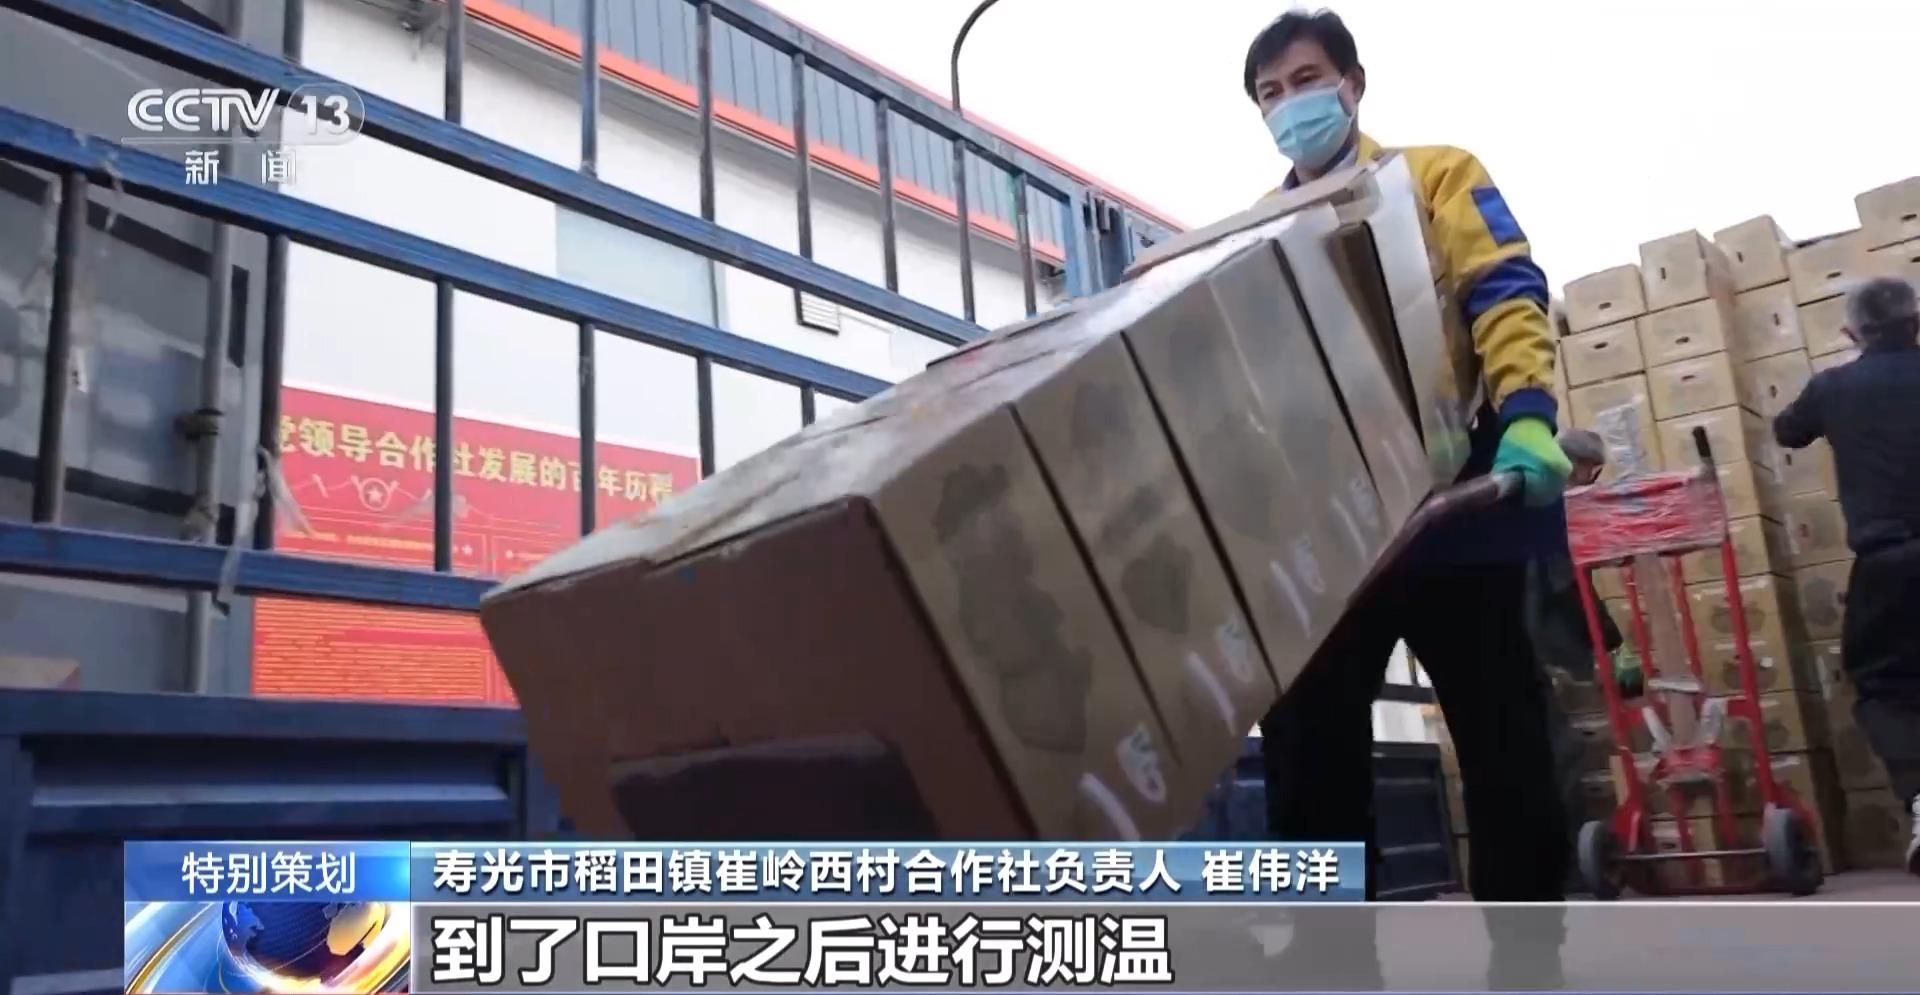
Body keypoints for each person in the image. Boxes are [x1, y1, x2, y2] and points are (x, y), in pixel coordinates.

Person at [1243, 8, 1572, 988]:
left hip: (1453, 499)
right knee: (1306, 745)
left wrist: (1527, 413)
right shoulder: (1257, 231)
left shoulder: (1434, 175)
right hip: (1333, 527)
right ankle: (1329, 961)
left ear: (1352, 83)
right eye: (1270, 94)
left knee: (1504, 736)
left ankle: (1527, 958)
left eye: (1306, 80)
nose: (1291, 105)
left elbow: (1502, 288)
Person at [1773, 275, 1920, 875]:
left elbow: (1786, 429)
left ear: (1850, 331)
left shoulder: (1834, 387)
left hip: (1889, 566)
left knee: (1885, 688)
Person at [1525, 430, 1629, 861]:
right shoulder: (1548, 508)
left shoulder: (1526, 498)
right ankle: (1568, 861)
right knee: (1564, 751)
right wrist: (1611, 641)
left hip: (1525, 643)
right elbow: (1569, 587)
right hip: (1544, 647)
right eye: (1592, 474)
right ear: (1576, 468)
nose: (1590, 484)